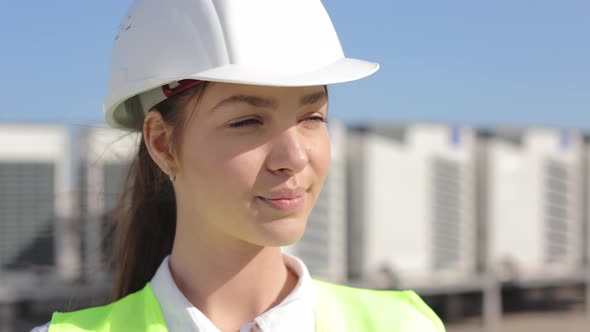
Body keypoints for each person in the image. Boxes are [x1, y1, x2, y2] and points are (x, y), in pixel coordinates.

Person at [33, 0, 445, 331]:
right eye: (247, 122)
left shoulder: (403, 324)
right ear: (162, 144)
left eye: (312, 118)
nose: (296, 158)